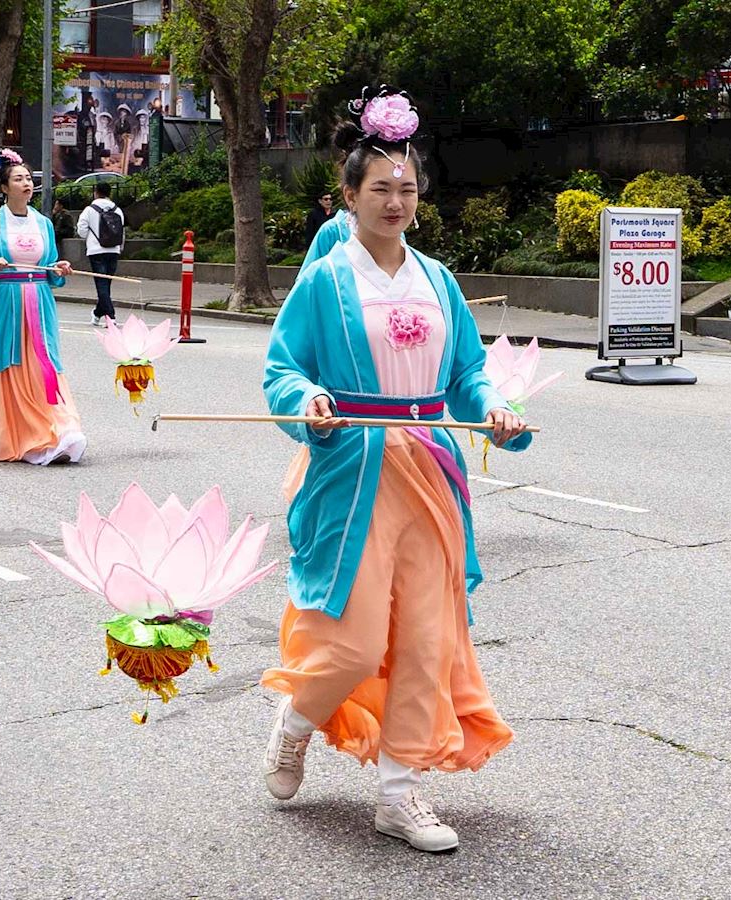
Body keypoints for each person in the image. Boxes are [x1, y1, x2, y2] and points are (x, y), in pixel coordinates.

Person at [259, 87, 531, 854]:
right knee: (350, 641)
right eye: (380, 187)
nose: (395, 201)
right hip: (352, 471)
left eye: (407, 188)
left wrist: (495, 407)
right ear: (349, 196)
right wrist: (308, 401)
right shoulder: (325, 280)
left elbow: (467, 372)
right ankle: (296, 722)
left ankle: (400, 793)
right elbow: (282, 368)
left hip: (431, 472)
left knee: (425, 638)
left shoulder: (438, 280)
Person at [0, 148, 86, 465]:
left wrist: (58, 269)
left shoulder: (43, 223)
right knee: (6, 363)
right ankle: (14, 436)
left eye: (29, 179)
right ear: (4, 187)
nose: (26, 184)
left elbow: (49, 268)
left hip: (40, 304)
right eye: (18, 179)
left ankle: (59, 430)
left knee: (43, 362)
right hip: (5, 304)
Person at [75, 182, 122, 326]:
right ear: (109, 193)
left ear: (96, 192)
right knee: (106, 284)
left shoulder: (89, 210)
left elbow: (82, 231)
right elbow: (121, 231)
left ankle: (110, 316)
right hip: (114, 250)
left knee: (101, 284)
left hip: (96, 251)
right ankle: (97, 313)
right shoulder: (117, 210)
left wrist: (91, 236)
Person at [113, 104, 136, 175]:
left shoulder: (128, 124)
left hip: (125, 142)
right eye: (122, 112)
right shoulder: (117, 123)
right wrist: (118, 139)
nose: (123, 114)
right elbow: (115, 133)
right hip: (118, 142)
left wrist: (126, 136)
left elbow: (129, 133)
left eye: (125, 113)